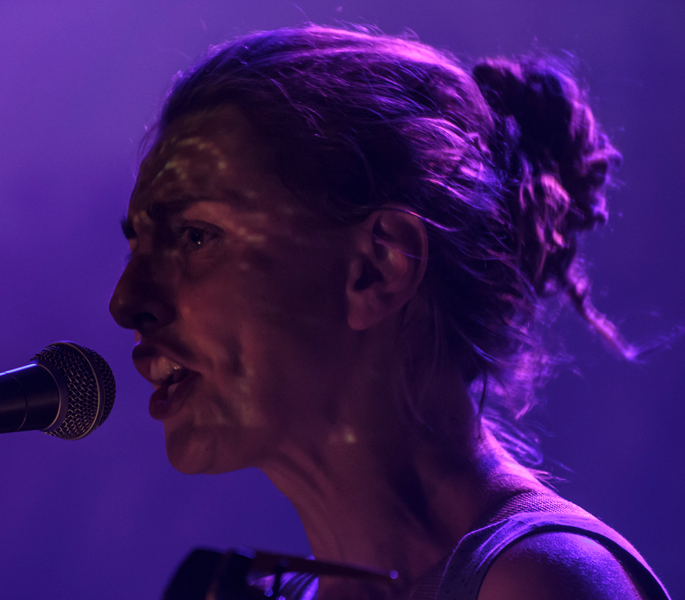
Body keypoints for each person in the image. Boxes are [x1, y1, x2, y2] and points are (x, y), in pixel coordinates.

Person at [108, 25, 670, 599]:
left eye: (196, 236)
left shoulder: (535, 583)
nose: (125, 302)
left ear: (377, 266)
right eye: (135, 248)